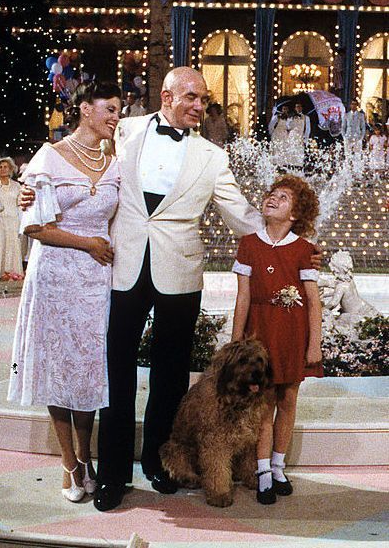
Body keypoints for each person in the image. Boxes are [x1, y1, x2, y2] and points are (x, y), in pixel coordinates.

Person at [20, 67, 321, 512]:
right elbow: (76, 153)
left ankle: (160, 462)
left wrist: (295, 244)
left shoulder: (212, 156)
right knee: (115, 370)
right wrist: (32, 186)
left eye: (204, 100)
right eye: (193, 98)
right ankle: (114, 474)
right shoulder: (124, 129)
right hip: (121, 266)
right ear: (166, 95)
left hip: (179, 271)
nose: (201, 106)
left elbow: (240, 212)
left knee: (169, 373)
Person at [8, 82, 121, 502]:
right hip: (55, 272)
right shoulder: (48, 158)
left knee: (89, 368)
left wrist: (102, 249)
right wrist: (88, 244)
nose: (114, 116)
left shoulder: (114, 162)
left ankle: (87, 457)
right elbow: (36, 227)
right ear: (85, 110)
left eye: (118, 110)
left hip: (96, 282)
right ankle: (68, 464)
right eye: (108, 108)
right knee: (59, 368)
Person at [231, 174, 323, 505]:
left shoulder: (305, 250)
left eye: (283, 198)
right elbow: (242, 298)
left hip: (292, 335)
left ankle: (279, 465)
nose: (273, 198)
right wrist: (236, 341)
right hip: (259, 334)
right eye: (272, 193)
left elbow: (313, 301)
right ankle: (262, 473)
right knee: (263, 402)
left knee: (288, 401)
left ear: (296, 214)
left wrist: (315, 344)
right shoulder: (248, 244)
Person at [341, 99, 366, 172]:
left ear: (357, 105)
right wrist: (344, 137)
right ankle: (347, 170)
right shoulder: (346, 115)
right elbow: (343, 127)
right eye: (352, 104)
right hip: (348, 137)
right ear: (350, 105)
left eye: (355, 104)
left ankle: (357, 171)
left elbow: (363, 127)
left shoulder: (361, 115)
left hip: (357, 137)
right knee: (347, 155)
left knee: (357, 155)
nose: (353, 105)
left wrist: (361, 138)